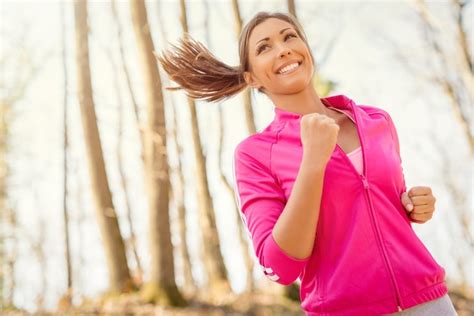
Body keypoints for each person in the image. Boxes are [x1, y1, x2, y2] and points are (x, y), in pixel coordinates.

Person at [156, 10, 457, 316]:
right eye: (264, 47)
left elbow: (391, 202)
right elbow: (280, 266)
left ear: (306, 49)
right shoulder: (255, 154)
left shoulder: (376, 121)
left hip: (429, 301)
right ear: (252, 78)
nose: (283, 48)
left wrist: (415, 205)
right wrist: (312, 162)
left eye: (290, 37)